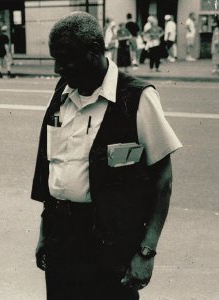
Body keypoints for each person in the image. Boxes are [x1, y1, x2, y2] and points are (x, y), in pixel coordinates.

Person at [31, 11, 182, 300]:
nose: (57, 68)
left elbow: (163, 180)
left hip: (111, 245)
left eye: (65, 59)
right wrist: (44, 233)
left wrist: (146, 251)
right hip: (61, 237)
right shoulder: (62, 91)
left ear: (95, 52)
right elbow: (52, 167)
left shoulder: (137, 97)